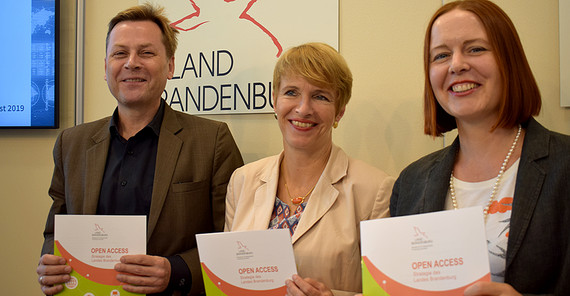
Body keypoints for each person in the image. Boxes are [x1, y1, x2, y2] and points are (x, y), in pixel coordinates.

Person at [35, 4, 243, 296]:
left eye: (146, 52)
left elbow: (234, 239)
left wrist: (177, 271)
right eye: (120, 53)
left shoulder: (212, 140)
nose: (131, 63)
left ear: (170, 66)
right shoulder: (72, 144)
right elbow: (55, 230)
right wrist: (49, 265)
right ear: (106, 67)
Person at [390, 0, 570, 295]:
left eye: (476, 49)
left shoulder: (565, 166)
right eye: (441, 55)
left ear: (509, 61)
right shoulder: (411, 182)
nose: (457, 64)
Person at [225, 42, 395, 296]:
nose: (303, 109)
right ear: (274, 100)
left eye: (320, 96)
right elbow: (230, 274)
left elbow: (387, 292)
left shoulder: (375, 190)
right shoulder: (242, 180)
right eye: (291, 92)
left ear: (339, 112)